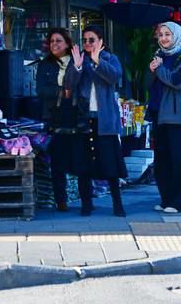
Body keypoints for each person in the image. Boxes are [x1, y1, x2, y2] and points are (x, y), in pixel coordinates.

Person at [64, 25, 127, 217]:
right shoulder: (80, 59)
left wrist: (97, 60)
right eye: (85, 40)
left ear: (101, 41)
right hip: (83, 118)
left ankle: (117, 203)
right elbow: (68, 84)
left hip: (104, 120)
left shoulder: (110, 58)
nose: (87, 43)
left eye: (91, 40)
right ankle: (86, 203)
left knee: (110, 163)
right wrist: (76, 67)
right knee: (83, 164)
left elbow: (114, 77)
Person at [147, 22, 181, 214]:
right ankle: (166, 200)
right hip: (158, 115)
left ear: (176, 36)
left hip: (176, 117)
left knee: (178, 161)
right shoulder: (158, 56)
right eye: (160, 35)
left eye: (167, 34)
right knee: (162, 161)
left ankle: (180, 203)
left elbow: (177, 81)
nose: (163, 38)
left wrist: (158, 69)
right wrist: (151, 70)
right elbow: (148, 83)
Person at [36, 28, 77, 212]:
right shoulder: (45, 65)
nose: (54, 44)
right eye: (52, 41)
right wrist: (62, 92)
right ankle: (61, 199)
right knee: (57, 160)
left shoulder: (76, 62)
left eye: (58, 41)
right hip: (54, 116)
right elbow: (41, 90)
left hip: (76, 115)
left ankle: (86, 197)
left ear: (67, 43)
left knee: (79, 157)